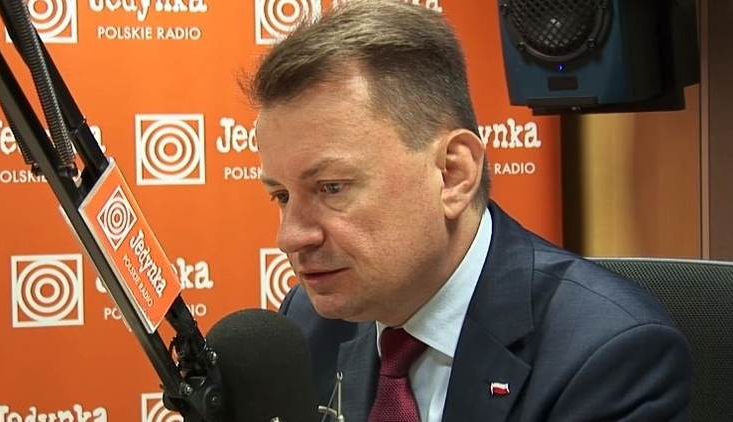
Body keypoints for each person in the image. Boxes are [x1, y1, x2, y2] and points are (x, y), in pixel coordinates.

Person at [243, 1, 693, 421]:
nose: (291, 238)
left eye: (331, 187)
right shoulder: (310, 321)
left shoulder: (606, 356)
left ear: (453, 174)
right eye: (281, 196)